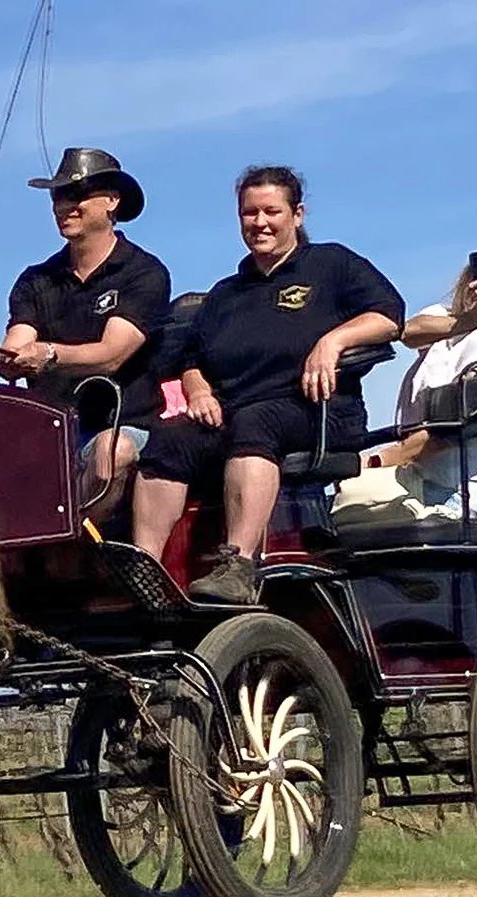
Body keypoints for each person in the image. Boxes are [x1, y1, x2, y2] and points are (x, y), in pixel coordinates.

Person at [131, 165, 404, 603]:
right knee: (170, 438)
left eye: (271, 211)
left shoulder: (331, 263)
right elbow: (190, 359)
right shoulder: (225, 293)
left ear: (297, 214)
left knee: (256, 422)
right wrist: (198, 389)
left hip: (318, 413)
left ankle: (238, 566)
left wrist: (333, 341)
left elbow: (389, 317)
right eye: (249, 213)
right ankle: (146, 570)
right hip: (233, 415)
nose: (260, 223)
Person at [0, 147, 172, 525]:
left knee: (113, 452)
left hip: (126, 425)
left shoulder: (144, 273)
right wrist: (10, 358)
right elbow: (17, 339)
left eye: (77, 195)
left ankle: (69, 542)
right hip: (48, 434)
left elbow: (112, 355)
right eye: (59, 196)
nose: (65, 206)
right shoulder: (35, 280)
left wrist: (49, 354)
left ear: (112, 201)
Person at [334, 242, 477, 522]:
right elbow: (407, 332)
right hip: (412, 479)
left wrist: (376, 462)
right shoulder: (450, 323)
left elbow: (446, 432)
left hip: (443, 494)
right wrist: (468, 320)